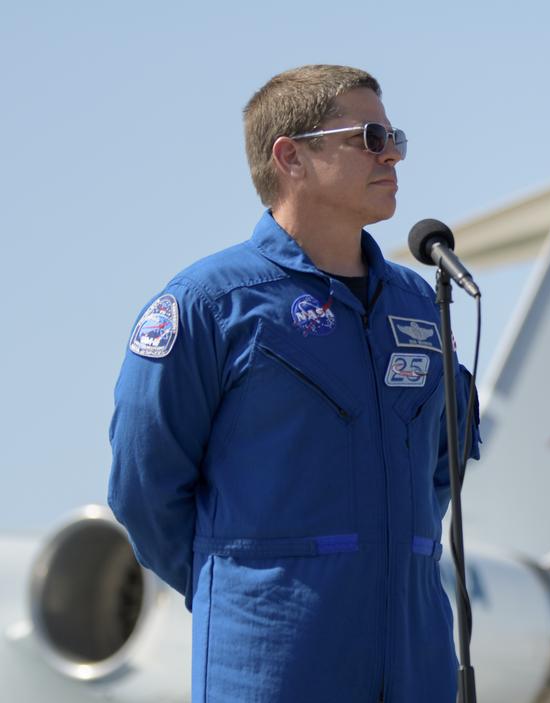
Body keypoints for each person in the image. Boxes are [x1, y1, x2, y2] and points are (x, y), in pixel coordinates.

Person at [108, 65, 478, 702]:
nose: (392, 154)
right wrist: (250, 584)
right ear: (292, 158)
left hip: (417, 666)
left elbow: (439, 471)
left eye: (396, 138)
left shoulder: (420, 306)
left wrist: (392, 561)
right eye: (369, 136)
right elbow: (144, 486)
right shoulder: (209, 305)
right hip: (272, 666)